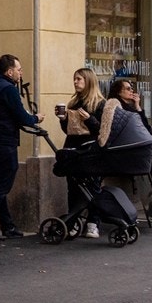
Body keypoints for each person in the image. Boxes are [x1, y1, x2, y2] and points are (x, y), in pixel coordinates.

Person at [0, 54, 42, 241]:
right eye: (19, 70)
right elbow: (22, 117)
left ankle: (7, 225)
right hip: (5, 142)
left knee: (0, 184)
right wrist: (36, 118)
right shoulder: (9, 90)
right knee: (3, 184)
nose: (21, 74)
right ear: (9, 71)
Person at [58, 67, 105, 238]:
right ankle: (73, 222)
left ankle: (93, 223)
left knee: (93, 188)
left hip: (92, 151)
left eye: (79, 79)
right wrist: (63, 120)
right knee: (73, 187)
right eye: (75, 79)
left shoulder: (100, 103)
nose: (75, 82)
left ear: (88, 81)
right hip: (73, 149)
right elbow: (69, 130)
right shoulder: (73, 103)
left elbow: (103, 130)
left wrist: (89, 119)